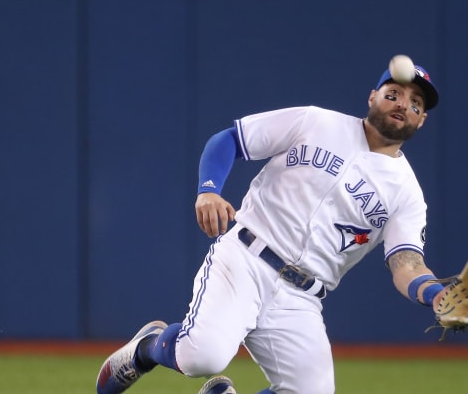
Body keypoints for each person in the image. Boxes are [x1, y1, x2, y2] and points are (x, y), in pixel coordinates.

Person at [96, 59, 446, 394]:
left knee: (313, 391)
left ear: (423, 120)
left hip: (301, 296)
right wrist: (208, 192)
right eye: (394, 94)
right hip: (246, 258)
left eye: (416, 103)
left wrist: (435, 293)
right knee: (203, 357)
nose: (403, 104)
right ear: (372, 97)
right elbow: (229, 139)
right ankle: (146, 348)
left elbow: (407, 263)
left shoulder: (407, 194)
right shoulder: (316, 122)